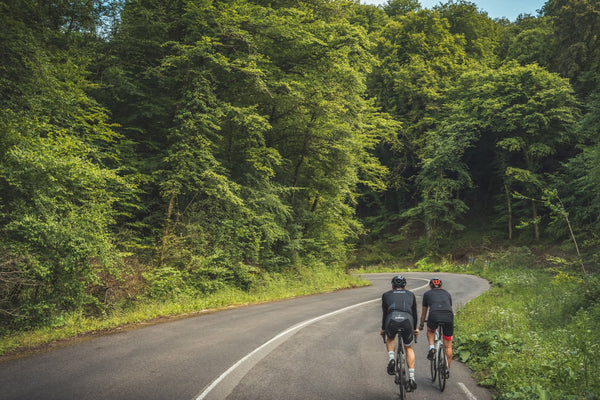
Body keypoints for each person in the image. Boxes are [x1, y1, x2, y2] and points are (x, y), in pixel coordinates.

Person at [381, 275, 419, 391]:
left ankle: (392, 358)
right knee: (409, 348)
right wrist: (415, 328)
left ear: (392, 286)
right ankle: (412, 378)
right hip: (407, 321)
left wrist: (383, 329)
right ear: (405, 286)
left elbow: (385, 314)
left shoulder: (386, 295)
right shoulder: (410, 294)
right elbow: (414, 314)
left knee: (390, 338)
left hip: (391, 319)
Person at [418, 277, 454, 379]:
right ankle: (447, 369)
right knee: (448, 346)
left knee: (430, 331)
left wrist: (421, 324)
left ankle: (432, 348)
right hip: (448, 316)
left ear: (430, 287)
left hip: (434, 315)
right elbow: (449, 308)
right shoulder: (447, 293)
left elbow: (424, 313)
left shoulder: (427, 294)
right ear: (441, 286)